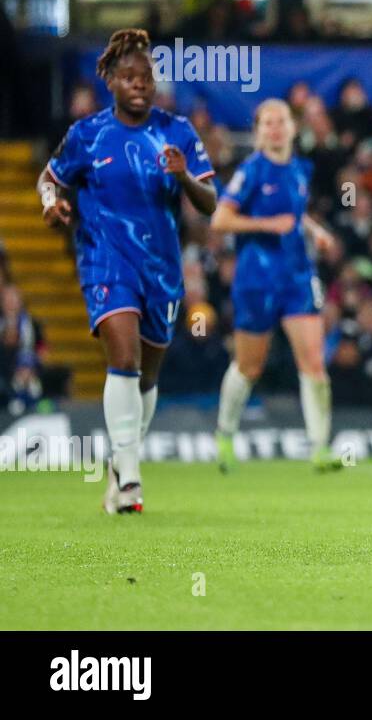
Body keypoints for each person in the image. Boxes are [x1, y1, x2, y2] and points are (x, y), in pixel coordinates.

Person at [38, 29, 217, 513]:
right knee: (124, 356)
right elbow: (48, 179)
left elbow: (210, 203)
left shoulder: (177, 130)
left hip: (161, 269)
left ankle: (119, 468)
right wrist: (52, 204)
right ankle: (133, 480)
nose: (140, 84)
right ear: (110, 82)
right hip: (104, 259)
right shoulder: (87, 134)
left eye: (147, 77)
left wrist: (182, 177)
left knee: (146, 378)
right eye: (129, 77)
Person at [211, 98, 344, 472]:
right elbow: (220, 220)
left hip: (297, 278)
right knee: (249, 367)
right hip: (256, 281)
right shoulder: (251, 171)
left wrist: (315, 231)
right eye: (267, 123)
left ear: (292, 127)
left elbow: (295, 217)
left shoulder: (300, 169)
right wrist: (266, 226)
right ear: (257, 132)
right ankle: (225, 433)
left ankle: (320, 446)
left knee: (314, 363)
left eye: (280, 121)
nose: (274, 128)